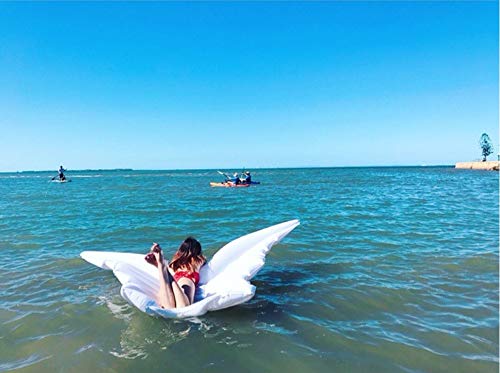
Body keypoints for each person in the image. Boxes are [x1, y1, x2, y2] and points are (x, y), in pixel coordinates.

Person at [146, 237, 206, 309]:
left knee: (168, 306)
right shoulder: (198, 259)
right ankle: (162, 267)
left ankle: (161, 267)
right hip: (188, 277)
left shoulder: (174, 261)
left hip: (176, 275)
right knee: (184, 307)